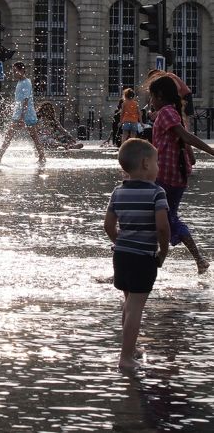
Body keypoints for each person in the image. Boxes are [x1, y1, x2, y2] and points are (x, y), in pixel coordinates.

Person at [104, 137, 170, 371]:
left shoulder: (118, 191)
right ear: (145, 164)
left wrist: (119, 241)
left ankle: (129, 349)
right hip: (143, 257)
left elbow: (108, 225)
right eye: (156, 163)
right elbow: (162, 227)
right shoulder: (157, 193)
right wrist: (162, 250)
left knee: (128, 302)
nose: (158, 167)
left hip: (121, 255)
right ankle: (125, 357)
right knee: (136, 307)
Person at [148, 74, 214, 274]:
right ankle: (193, 259)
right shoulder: (172, 111)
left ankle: (151, 258)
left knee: (163, 217)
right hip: (176, 175)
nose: (150, 102)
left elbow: (185, 136)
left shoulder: (167, 112)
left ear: (159, 96)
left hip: (166, 174)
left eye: (151, 97)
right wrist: (191, 157)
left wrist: (211, 151)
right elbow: (182, 138)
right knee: (166, 216)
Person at [0, 62, 46, 164]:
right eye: (13, 71)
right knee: (10, 135)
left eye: (16, 71)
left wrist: (22, 118)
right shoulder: (20, 82)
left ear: (22, 71)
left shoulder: (26, 82)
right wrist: (12, 110)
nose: (14, 73)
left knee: (33, 136)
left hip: (26, 115)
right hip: (20, 114)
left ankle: (42, 157)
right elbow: (19, 101)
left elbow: (26, 101)